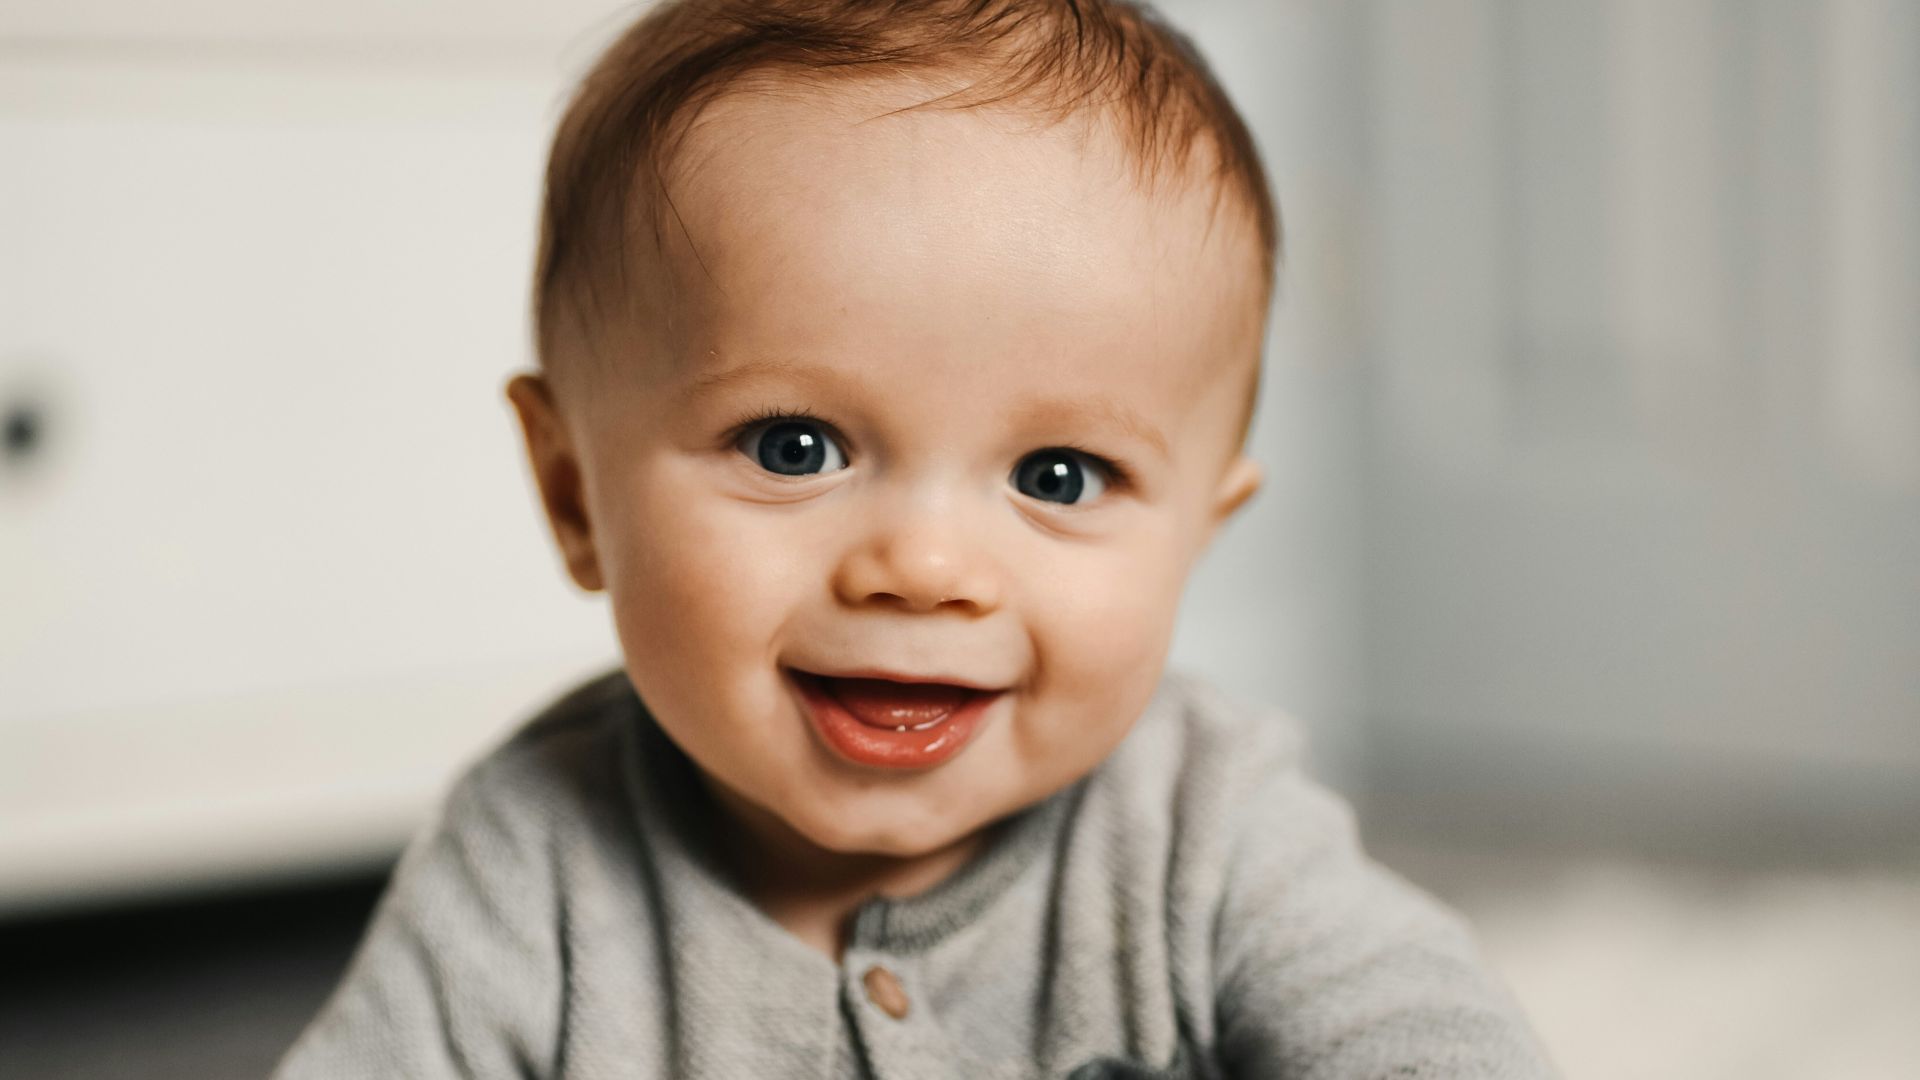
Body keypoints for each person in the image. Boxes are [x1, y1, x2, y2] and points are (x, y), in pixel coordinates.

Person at [275, 1, 1555, 1076]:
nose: (926, 570)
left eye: (1058, 475)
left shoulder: (1203, 821)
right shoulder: (533, 858)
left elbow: (1421, 1028)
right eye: (794, 447)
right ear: (572, 496)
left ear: (1193, 542)